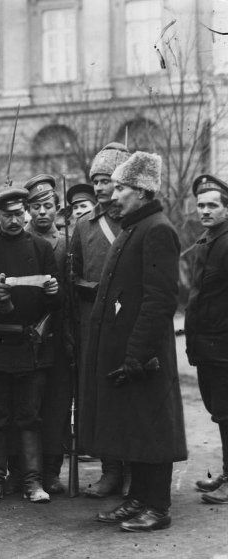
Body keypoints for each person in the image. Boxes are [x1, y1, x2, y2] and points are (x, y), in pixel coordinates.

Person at [83, 151, 187, 531]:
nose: (113, 193)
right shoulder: (135, 227)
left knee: (152, 428)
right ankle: (138, 499)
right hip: (130, 352)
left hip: (144, 354)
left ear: (142, 191)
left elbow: (160, 299)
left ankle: (157, 507)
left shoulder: (157, 229)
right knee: (135, 427)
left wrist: (137, 354)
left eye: (122, 187)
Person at [0, 186, 61, 504]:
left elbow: (60, 300)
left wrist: (54, 290)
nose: (15, 220)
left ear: (27, 213)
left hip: (31, 346)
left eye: (20, 213)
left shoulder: (42, 248)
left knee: (29, 417)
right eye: (8, 215)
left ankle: (33, 482)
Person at [71, 142, 132, 498]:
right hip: (93, 320)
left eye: (106, 179)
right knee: (102, 399)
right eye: (95, 180)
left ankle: (136, 471)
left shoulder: (133, 221)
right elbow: (74, 275)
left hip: (127, 321)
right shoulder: (84, 225)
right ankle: (111, 471)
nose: (99, 187)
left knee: (130, 399)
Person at [24, 174, 72, 495]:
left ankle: (52, 470)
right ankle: (26, 472)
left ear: (58, 208)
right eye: (36, 207)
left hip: (58, 331)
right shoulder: (18, 238)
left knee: (56, 404)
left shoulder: (68, 241)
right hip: (26, 333)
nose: (42, 212)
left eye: (48, 206)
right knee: (28, 405)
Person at [184, 174, 228, 504]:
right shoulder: (206, 241)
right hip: (208, 345)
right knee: (220, 412)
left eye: (213, 205)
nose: (205, 210)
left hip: (224, 345)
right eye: (201, 205)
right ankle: (225, 474)